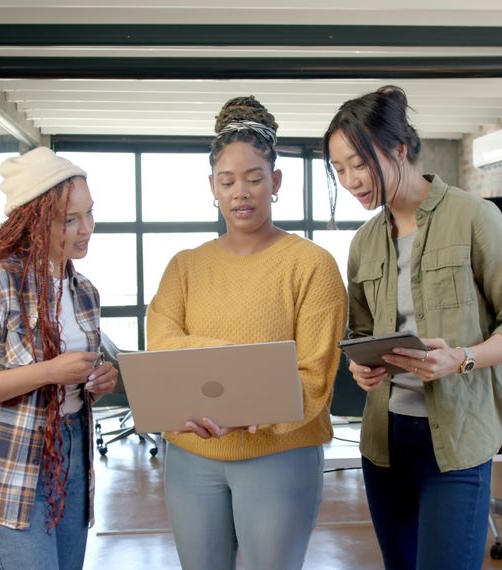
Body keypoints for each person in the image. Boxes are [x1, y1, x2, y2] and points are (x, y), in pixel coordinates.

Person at [323, 85, 502, 569]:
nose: (352, 180)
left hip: (457, 441)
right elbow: (359, 335)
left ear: (400, 150)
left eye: (360, 163)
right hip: (384, 441)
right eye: (339, 169)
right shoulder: (362, 243)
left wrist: (460, 358)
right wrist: (361, 369)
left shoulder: (474, 217)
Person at [146, 96, 348, 570]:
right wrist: (251, 374)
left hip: (280, 454)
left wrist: (238, 398)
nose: (242, 192)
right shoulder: (185, 267)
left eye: (255, 179)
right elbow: (163, 347)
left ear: (275, 182)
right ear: (212, 187)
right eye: (228, 181)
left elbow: (315, 373)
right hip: (192, 454)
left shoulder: (312, 265)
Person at [0, 147, 119, 570]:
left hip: (71, 454)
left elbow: (73, 386)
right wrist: (49, 372)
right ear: (32, 222)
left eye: (89, 213)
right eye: (69, 220)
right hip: (8, 467)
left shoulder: (84, 291)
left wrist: (96, 383)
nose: (86, 228)